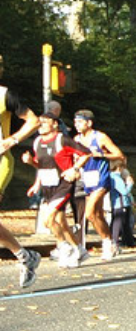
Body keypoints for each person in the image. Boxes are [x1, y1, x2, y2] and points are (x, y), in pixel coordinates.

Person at [23, 112, 90, 269]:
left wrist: (74, 168)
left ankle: (63, 246)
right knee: (60, 222)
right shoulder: (37, 142)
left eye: (45, 122)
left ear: (55, 124)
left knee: (48, 219)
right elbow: (41, 166)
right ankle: (78, 249)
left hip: (63, 184)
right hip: (47, 186)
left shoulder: (62, 140)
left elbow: (86, 153)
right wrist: (36, 183)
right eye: (39, 122)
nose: (41, 125)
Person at [0, 60, 41, 287]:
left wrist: (12, 140)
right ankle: (25, 256)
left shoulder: (5, 95)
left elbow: (33, 121)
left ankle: (25, 256)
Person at [73, 110, 125, 260]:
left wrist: (101, 155)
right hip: (87, 179)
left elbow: (119, 155)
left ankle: (107, 243)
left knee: (89, 213)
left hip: (101, 178)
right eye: (75, 122)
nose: (77, 125)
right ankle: (110, 243)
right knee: (97, 215)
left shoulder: (100, 137)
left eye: (80, 122)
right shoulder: (77, 139)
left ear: (89, 123)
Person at [108, 159, 135, 253]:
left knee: (125, 224)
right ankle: (114, 242)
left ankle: (129, 241)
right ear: (119, 167)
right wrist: (130, 184)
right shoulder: (117, 178)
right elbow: (124, 191)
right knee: (118, 224)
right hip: (121, 203)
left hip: (117, 203)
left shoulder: (111, 176)